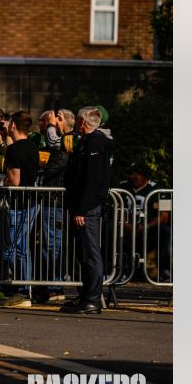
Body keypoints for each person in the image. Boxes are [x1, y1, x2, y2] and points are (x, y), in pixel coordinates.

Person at [61, 106, 112, 315]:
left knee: (91, 254)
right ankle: (85, 296)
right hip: (83, 207)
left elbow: (91, 180)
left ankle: (92, 299)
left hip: (88, 208)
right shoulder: (90, 142)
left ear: (83, 122)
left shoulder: (95, 142)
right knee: (84, 254)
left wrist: (82, 209)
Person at [118, 162, 170, 282]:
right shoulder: (122, 186)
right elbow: (118, 211)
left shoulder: (158, 188)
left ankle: (164, 269)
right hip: (126, 228)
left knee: (166, 232)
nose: (131, 177)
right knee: (108, 228)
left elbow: (164, 216)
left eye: (133, 173)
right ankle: (111, 270)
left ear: (142, 175)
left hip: (149, 229)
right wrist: (127, 226)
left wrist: (146, 226)